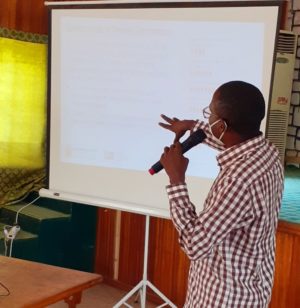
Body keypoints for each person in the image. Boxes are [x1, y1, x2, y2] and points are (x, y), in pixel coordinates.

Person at [159, 81, 284, 308]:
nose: (207, 117)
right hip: (250, 288)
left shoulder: (239, 181)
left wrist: (176, 180)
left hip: (224, 298)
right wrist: (192, 126)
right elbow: (231, 143)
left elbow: (195, 244)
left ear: (222, 126)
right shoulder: (267, 152)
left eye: (210, 113)